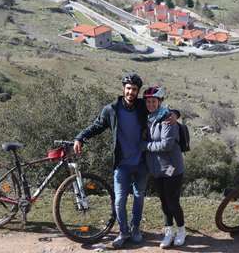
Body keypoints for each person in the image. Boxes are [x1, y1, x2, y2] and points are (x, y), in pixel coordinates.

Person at [73, 74, 178, 249]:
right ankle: (123, 231)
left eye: (134, 89)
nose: (131, 92)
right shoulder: (111, 109)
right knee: (119, 200)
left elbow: (160, 110)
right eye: (128, 88)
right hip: (122, 163)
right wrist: (80, 137)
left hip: (141, 163)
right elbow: (97, 126)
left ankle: (135, 228)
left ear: (137, 92)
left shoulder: (141, 107)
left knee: (139, 198)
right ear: (123, 89)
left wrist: (175, 113)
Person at [141, 86, 186, 248]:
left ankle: (181, 230)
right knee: (163, 202)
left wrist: (145, 146)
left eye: (154, 101)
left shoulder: (168, 118)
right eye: (148, 101)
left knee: (172, 201)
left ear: (160, 102)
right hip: (156, 169)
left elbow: (166, 145)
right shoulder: (148, 117)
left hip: (171, 168)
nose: (151, 104)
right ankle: (169, 232)